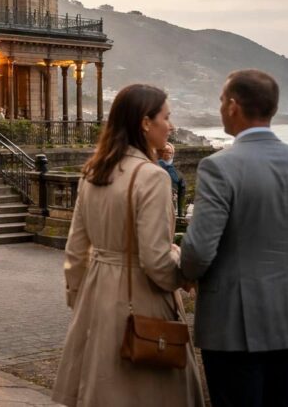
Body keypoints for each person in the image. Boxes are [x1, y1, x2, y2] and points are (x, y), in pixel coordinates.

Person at [182, 70, 288, 407]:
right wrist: (286, 267)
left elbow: (199, 250)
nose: (221, 108)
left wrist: (187, 273)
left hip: (234, 319)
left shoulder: (218, 167)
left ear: (233, 106)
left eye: (221, 101)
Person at [52, 84, 203, 407]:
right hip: (141, 299)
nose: (171, 126)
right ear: (146, 123)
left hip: (96, 298)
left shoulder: (93, 173)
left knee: (99, 391)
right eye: (166, 117)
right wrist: (183, 273)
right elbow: (155, 261)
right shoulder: (153, 177)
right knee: (147, 393)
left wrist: (80, 301)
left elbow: (75, 251)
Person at [157, 141, 185, 218]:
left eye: (169, 152)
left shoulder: (178, 174)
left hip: (171, 210)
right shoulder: (152, 168)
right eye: (164, 151)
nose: (167, 154)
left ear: (172, 155)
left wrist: (180, 213)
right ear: (160, 153)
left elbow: (182, 193)